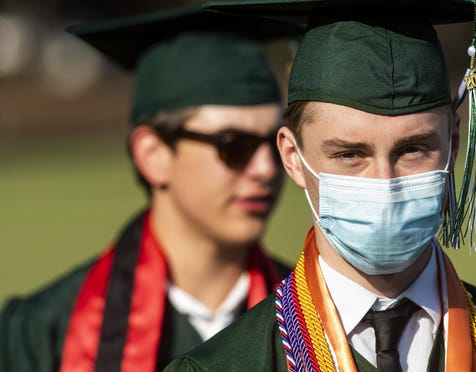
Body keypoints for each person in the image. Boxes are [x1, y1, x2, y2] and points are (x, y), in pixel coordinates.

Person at [164, 0, 476, 371]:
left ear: (454, 144)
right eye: (349, 154)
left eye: (414, 149)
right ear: (292, 157)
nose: (386, 184)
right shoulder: (223, 365)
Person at [0, 4, 298, 371]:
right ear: (152, 154)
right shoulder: (42, 333)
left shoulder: (316, 318)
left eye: (275, 143)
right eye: (233, 145)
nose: (266, 169)